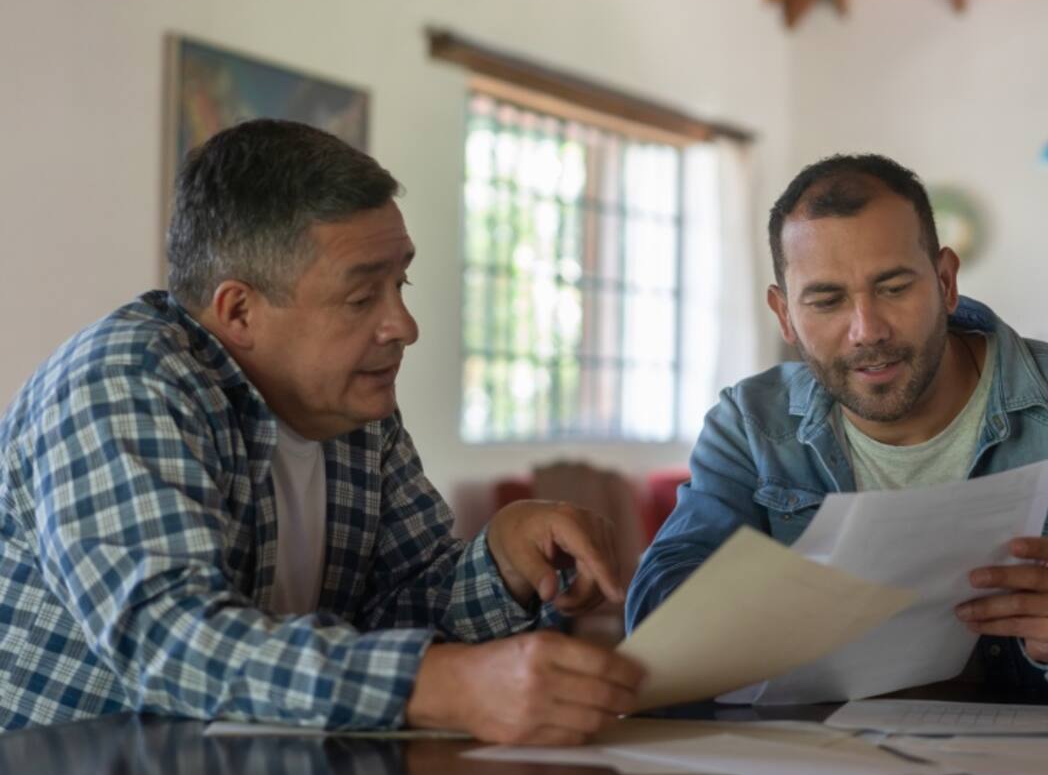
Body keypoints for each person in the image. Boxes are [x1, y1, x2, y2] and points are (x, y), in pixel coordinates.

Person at [0, 119, 643, 741]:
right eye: (361, 299)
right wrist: (438, 686)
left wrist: (502, 561)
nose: (404, 325)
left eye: (401, 282)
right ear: (239, 311)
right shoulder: (123, 382)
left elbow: (397, 610)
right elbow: (172, 644)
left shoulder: (350, 411)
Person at [626, 153, 1048, 702]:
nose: (866, 330)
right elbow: (655, 621)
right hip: (823, 761)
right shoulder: (750, 425)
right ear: (785, 315)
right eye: (826, 300)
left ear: (946, 281)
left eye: (894, 288)